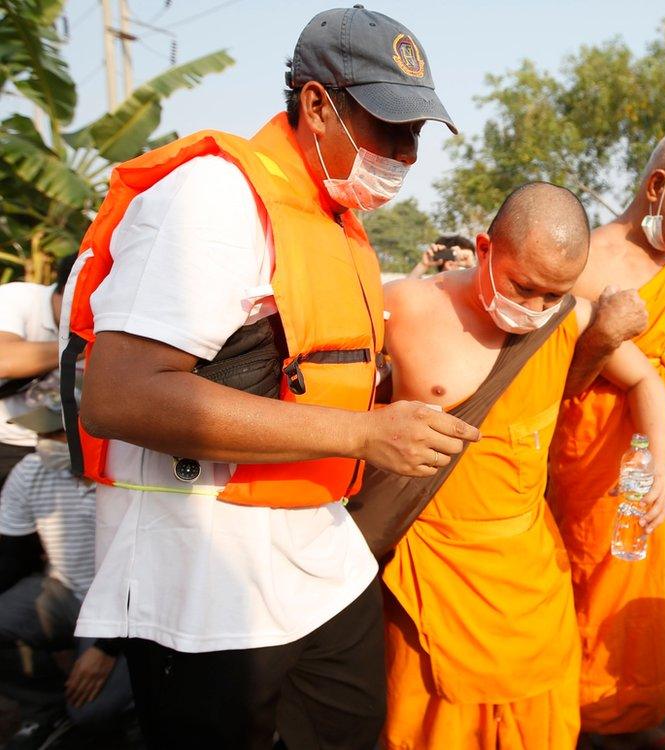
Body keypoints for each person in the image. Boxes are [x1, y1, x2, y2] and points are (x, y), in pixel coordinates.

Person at [61, 8, 478, 749]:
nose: (406, 153)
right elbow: (118, 393)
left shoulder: (336, 218)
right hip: (209, 579)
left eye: (417, 133)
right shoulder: (215, 198)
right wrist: (364, 432)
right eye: (389, 126)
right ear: (318, 105)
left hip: (318, 557)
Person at [378, 182, 665, 749]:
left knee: (536, 721)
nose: (535, 308)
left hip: (528, 564)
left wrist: (660, 466)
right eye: (524, 287)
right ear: (485, 248)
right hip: (436, 561)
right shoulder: (408, 306)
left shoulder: (572, 319)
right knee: (431, 726)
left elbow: (645, 382)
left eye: (553, 294)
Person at [547, 128, 665, 744]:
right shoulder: (587, 260)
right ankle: (594, 711)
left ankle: (660, 698)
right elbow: (557, 376)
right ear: (658, 186)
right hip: (601, 448)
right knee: (601, 574)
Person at [0, 373, 132, 748]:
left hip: (123, 610)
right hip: (67, 592)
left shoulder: (126, 478)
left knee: (92, 714)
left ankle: (137, 708)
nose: (43, 445)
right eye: (40, 435)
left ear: (87, 429)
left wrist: (107, 649)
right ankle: (45, 708)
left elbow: (150, 578)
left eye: (53, 434)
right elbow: (12, 558)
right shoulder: (30, 472)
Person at [0, 255, 75, 486]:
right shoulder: (16, 298)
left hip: (60, 451)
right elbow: (4, 360)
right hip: (6, 442)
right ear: (68, 290)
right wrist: (79, 347)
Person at [407, 234, 476, 277]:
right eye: (463, 258)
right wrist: (423, 265)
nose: (459, 262)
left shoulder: (476, 293)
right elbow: (402, 296)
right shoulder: (428, 290)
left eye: (464, 258)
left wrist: (473, 268)